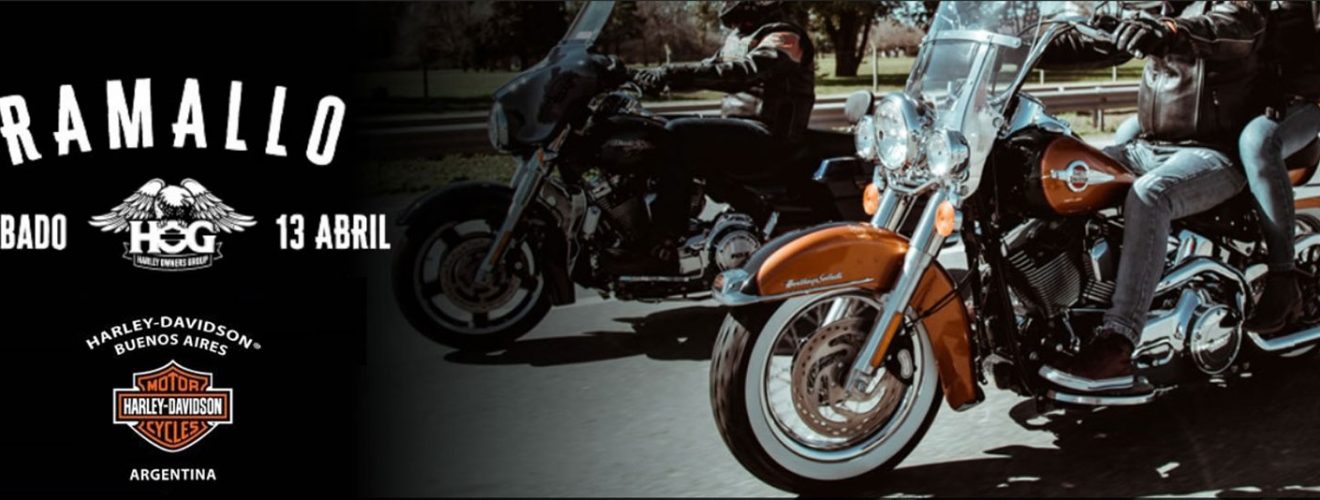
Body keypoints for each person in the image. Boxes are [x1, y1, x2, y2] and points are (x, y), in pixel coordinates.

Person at [1040, 1, 1267, 384]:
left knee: (1150, 195)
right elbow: (1105, 43)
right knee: (1063, 173)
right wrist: (1030, 44)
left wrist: (1169, 31)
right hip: (1150, 146)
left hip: (1215, 152)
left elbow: (1231, 28)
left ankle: (1119, 338)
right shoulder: (1164, 7)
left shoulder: (1233, 9)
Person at [617, 0, 815, 275]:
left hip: (769, 136)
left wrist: (671, 74)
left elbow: (743, 72)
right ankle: (632, 228)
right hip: (739, 128)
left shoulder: (783, 35)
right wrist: (633, 75)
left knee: (679, 133)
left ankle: (663, 242)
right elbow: (709, 68)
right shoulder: (739, 37)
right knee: (652, 128)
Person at [1239, 1, 1320, 334]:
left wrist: (1292, 84)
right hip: (1240, 98)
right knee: (1132, 132)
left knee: (1259, 142)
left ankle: (1283, 277)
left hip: (1301, 101)